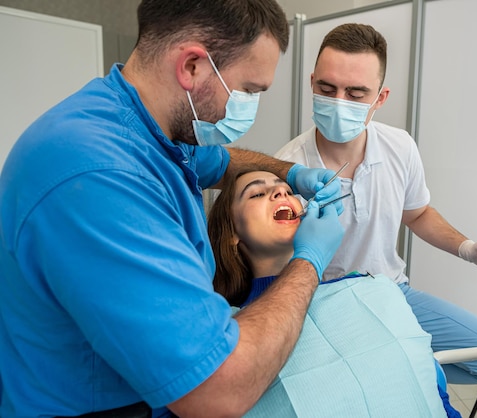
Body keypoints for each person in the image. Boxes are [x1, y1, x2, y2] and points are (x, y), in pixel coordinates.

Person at [0, 1, 346, 417]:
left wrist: (291, 172)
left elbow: (220, 162)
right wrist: (308, 261)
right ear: (193, 66)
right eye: (250, 91)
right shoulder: (97, 175)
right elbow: (215, 392)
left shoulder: (149, 125)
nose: (250, 107)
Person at [275, 23, 477, 383]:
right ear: (312, 82)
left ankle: (408, 367)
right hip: (322, 306)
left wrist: (469, 249)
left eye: (357, 94)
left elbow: (417, 213)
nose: (339, 102)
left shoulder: (399, 146)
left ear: (381, 98)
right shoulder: (286, 168)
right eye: (327, 89)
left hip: (390, 291)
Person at [207, 169, 462, 418]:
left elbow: (430, 389)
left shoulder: (371, 288)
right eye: (257, 194)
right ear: (232, 233)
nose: (279, 192)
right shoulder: (225, 331)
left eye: (287, 190)